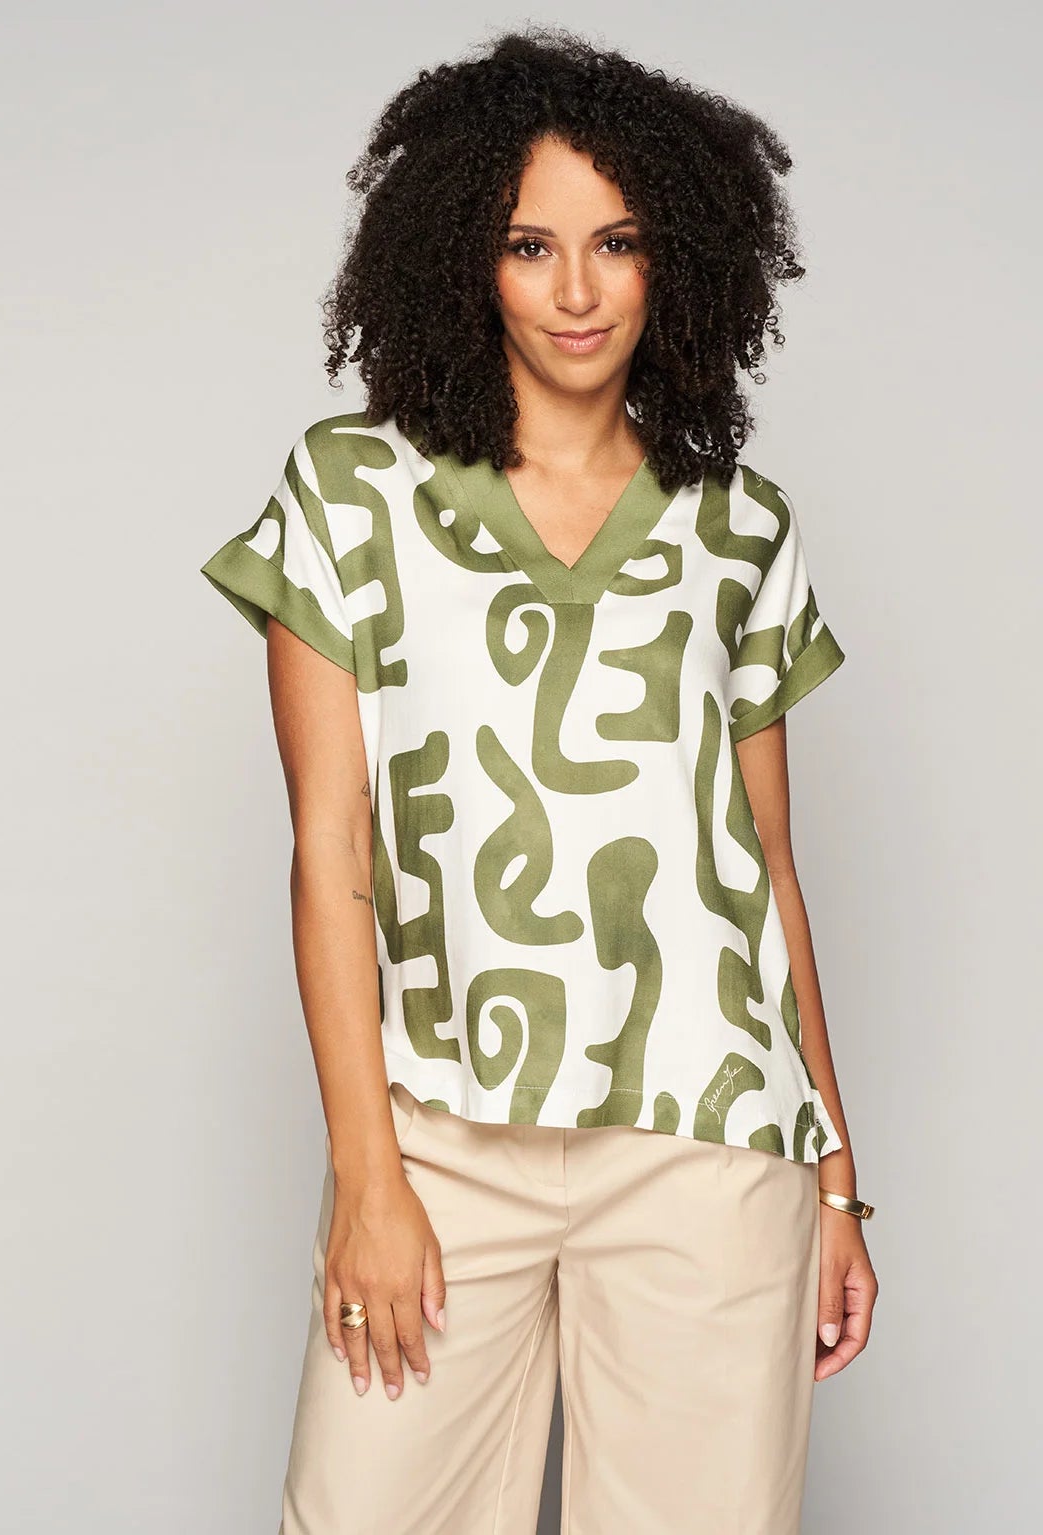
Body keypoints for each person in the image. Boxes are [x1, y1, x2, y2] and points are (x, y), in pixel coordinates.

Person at [197, 26, 878, 1534]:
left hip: (711, 1137)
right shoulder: (351, 496)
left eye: (617, 243)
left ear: (674, 260)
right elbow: (331, 851)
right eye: (531, 245)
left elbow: (766, 870)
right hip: (440, 1135)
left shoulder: (740, 527)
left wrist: (835, 1179)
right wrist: (367, 1178)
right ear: (466, 258)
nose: (578, 291)